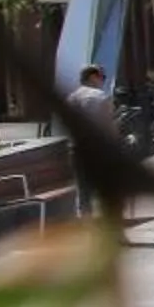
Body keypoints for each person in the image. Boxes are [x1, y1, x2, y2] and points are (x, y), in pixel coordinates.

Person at [65, 65, 119, 223]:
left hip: (77, 149)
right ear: (93, 77)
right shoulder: (100, 96)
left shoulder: (71, 98)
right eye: (102, 77)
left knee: (83, 191)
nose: (103, 81)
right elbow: (108, 124)